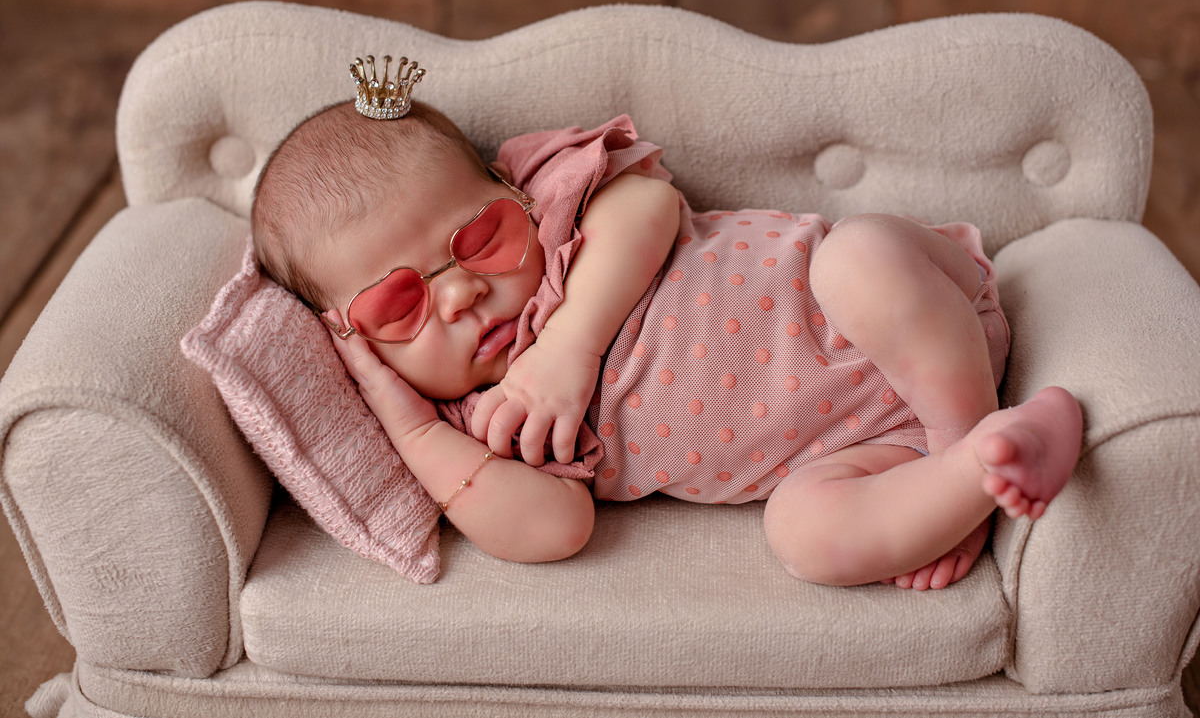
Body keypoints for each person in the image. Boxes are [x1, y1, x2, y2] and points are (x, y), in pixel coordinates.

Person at [251, 61, 1082, 590]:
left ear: (511, 190)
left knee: (856, 259)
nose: (463, 292)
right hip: (867, 446)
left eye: (481, 239)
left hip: (912, 312)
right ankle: (974, 470)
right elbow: (555, 528)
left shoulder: (558, 216)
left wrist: (570, 346)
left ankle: (962, 431)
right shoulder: (483, 422)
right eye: (400, 305)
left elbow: (647, 203)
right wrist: (410, 427)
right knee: (803, 536)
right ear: (352, 341)